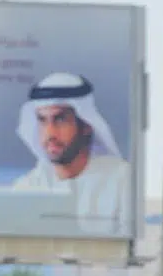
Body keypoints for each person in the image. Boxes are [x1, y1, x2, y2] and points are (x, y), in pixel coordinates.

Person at [9, 72, 132, 234]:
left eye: (60, 120)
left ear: (86, 125)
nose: (50, 133)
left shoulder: (123, 180)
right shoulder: (26, 188)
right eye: (42, 120)